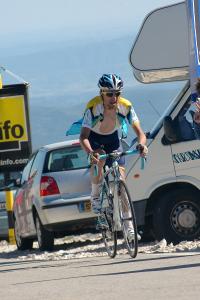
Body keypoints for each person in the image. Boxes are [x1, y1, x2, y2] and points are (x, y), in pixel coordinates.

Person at [79, 74, 148, 239]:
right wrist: (90, 153)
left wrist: (142, 145)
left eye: (117, 93)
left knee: (122, 182)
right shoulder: (93, 107)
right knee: (100, 158)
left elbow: (140, 133)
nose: (114, 97)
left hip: (113, 139)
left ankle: (129, 227)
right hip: (94, 138)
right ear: (101, 93)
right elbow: (83, 137)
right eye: (109, 94)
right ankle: (96, 195)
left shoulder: (126, 106)